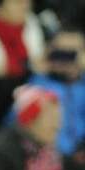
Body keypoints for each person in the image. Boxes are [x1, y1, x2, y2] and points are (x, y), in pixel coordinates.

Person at [28, 28, 85, 156]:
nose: (66, 58)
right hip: (53, 157)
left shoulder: (82, 85)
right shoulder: (37, 87)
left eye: (73, 52)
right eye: (61, 51)